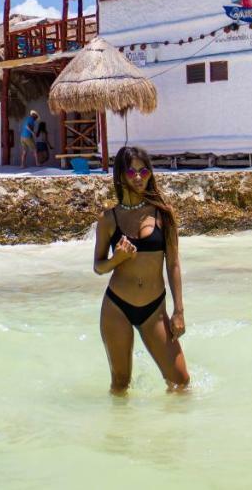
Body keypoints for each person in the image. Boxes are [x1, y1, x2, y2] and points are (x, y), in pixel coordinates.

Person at [93, 145, 189, 393]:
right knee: (120, 384)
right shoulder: (108, 219)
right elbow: (99, 267)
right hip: (117, 308)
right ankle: (121, 430)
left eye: (144, 172)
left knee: (180, 381)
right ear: (121, 176)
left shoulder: (163, 214)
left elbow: (174, 263)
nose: (138, 177)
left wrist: (178, 311)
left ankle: (169, 431)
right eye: (132, 172)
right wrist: (118, 259)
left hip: (154, 310)